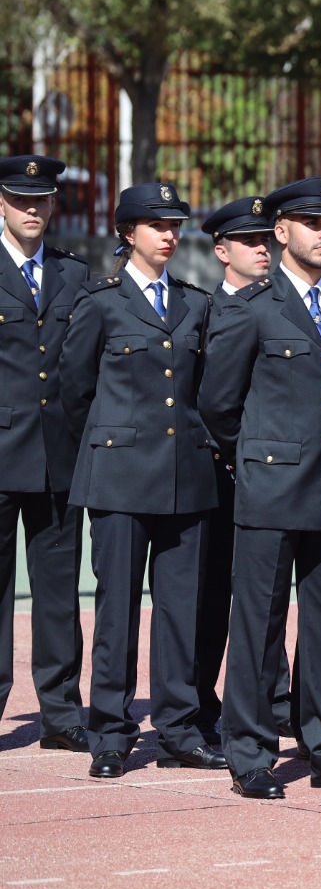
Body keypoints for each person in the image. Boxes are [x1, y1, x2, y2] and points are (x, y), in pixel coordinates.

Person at [200, 176, 321, 798]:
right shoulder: (251, 308)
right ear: (282, 234)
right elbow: (218, 405)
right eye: (312, 224)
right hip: (271, 487)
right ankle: (249, 750)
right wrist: (257, 459)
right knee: (259, 624)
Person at [58, 183, 222, 778]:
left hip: (185, 478)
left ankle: (179, 728)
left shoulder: (194, 303)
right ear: (128, 233)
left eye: (175, 224)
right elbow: (74, 392)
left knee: (181, 610)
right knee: (117, 607)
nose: (170, 235)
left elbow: (206, 388)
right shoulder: (100, 302)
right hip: (121, 477)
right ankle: (110, 732)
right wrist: (111, 444)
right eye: (157, 225)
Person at [0, 154, 88, 752]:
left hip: (60, 456)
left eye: (42, 200)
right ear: (0, 203)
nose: (33, 209)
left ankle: (61, 713)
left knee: (59, 594)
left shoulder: (74, 275)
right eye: (21, 199)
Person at [196, 196, 288, 746]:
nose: (262, 249)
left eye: (265, 239)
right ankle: (205, 703)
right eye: (249, 241)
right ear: (222, 251)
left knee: (268, 591)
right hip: (216, 472)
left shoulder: (281, 308)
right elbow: (209, 402)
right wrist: (239, 450)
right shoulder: (200, 312)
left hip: (270, 476)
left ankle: (272, 700)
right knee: (210, 597)